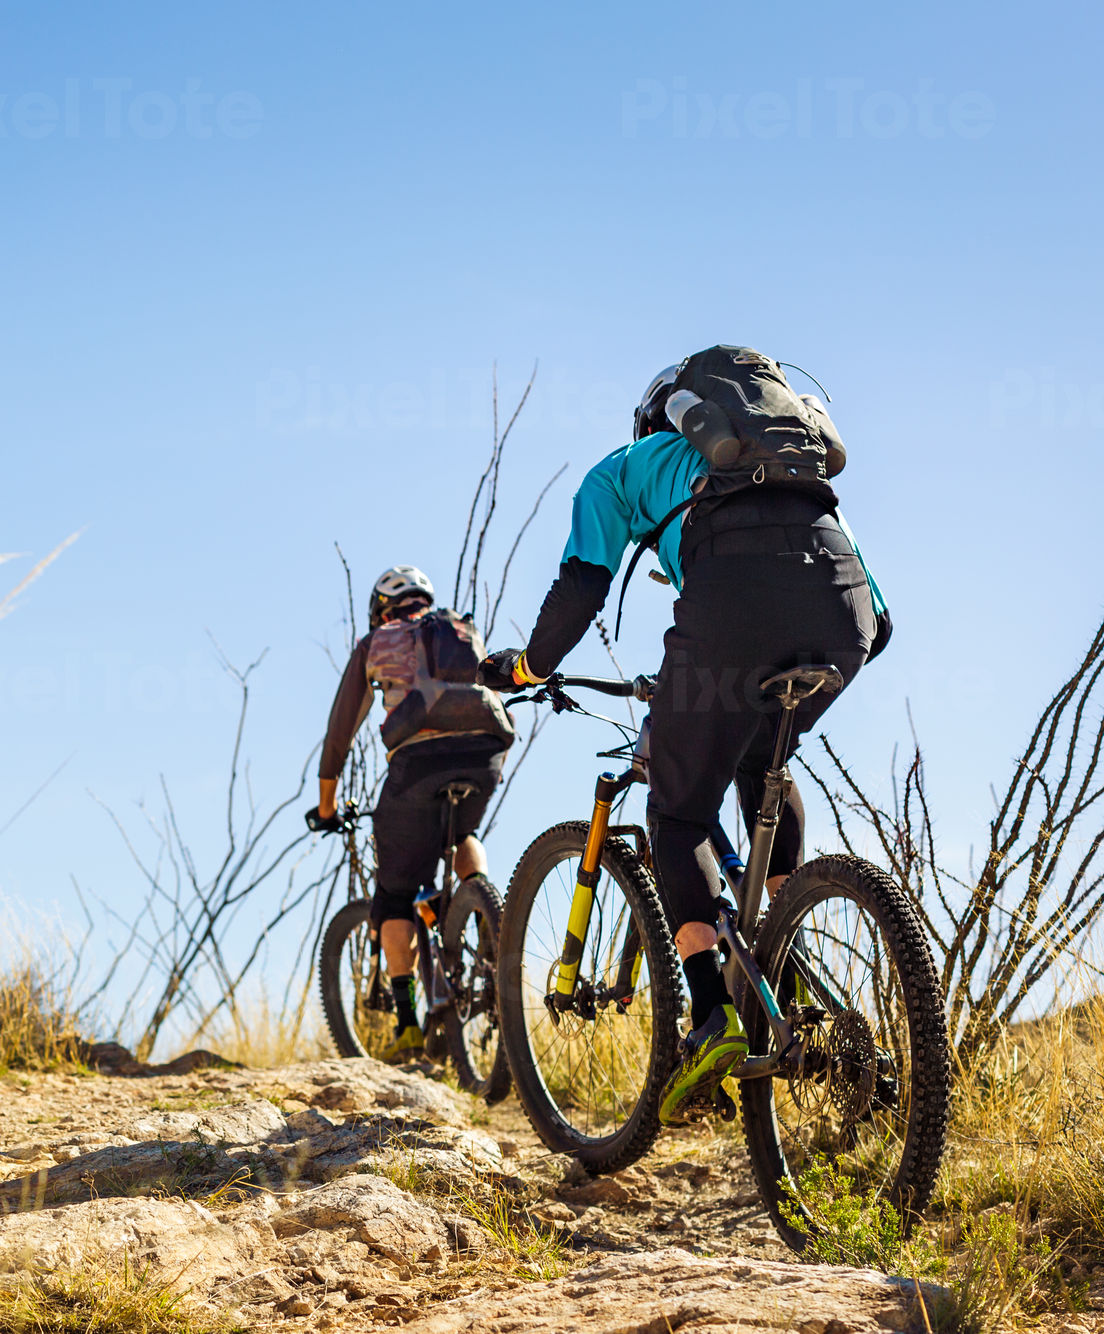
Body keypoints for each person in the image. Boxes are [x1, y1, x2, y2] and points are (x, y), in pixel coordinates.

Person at [479, 350, 890, 1123]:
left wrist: (529, 667)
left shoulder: (622, 468)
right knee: (758, 756)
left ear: (659, 418)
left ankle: (710, 1016)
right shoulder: (798, 479)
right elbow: (881, 614)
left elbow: (580, 589)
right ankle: (785, 928)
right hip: (845, 621)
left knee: (678, 810)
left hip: (732, 607)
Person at [310, 565, 516, 1062]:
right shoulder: (460, 627)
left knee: (396, 894)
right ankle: (482, 911)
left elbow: (342, 730)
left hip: (417, 765)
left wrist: (327, 805)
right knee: (461, 829)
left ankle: (405, 1028)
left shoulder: (377, 642)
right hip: (485, 755)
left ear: (382, 609)